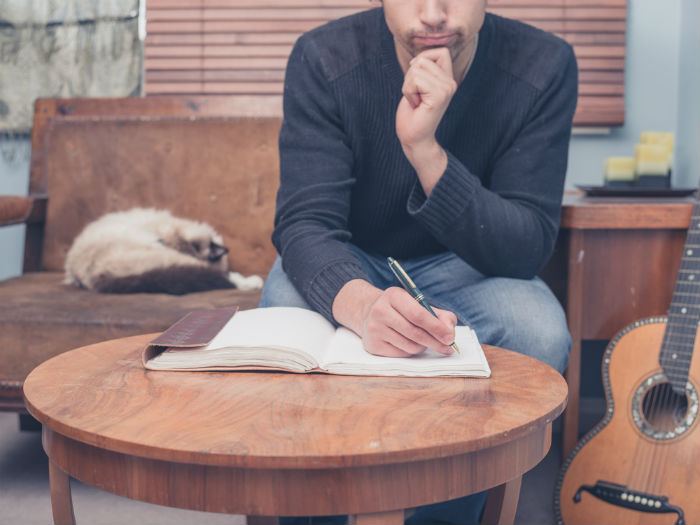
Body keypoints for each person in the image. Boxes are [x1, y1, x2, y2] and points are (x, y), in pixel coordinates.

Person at [260, 0, 577, 522]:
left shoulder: (543, 65)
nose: (433, 14)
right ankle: (315, 514)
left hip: (465, 263)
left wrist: (423, 148)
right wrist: (364, 307)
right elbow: (305, 224)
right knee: (282, 308)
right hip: (352, 258)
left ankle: (446, 515)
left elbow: (526, 246)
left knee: (539, 331)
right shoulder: (324, 56)